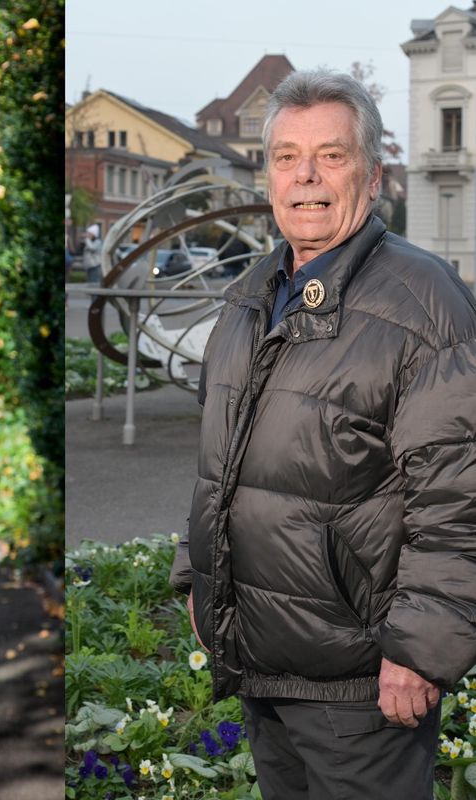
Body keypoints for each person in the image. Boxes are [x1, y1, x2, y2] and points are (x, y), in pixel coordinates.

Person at [170, 69, 476, 800]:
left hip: (363, 689)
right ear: (268, 174)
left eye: (331, 156)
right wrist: (195, 574)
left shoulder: (424, 303)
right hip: (262, 670)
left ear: (372, 178)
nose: (305, 176)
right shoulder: (251, 295)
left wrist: (423, 652)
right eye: (286, 157)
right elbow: (221, 459)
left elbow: (457, 499)